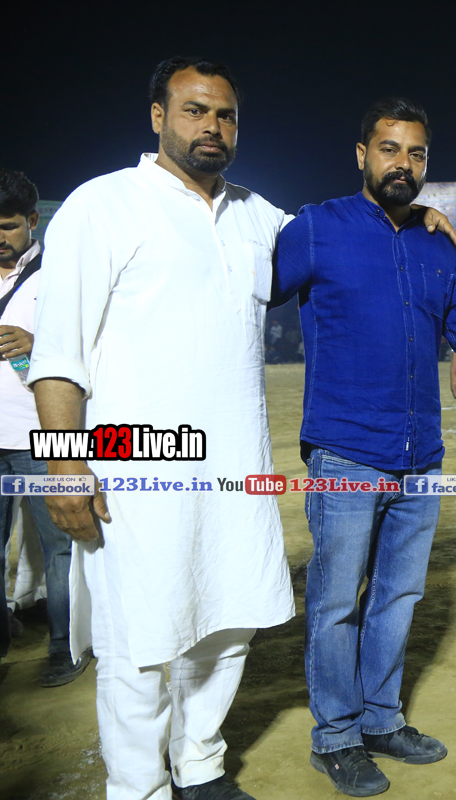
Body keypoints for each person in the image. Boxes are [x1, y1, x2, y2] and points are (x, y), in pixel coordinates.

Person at [29, 58, 296, 800]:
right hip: (135, 468)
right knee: (139, 638)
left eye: (226, 115)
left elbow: (336, 239)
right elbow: (57, 354)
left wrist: (423, 215)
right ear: (157, 117)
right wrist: (64, 465)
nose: (212, 127)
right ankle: (138, 786)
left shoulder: (256, 214)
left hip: (235, 467)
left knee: (230, 617)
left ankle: (200, 763)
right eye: (194, 110)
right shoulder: (102, 205)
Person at [273, 96, 456, 796]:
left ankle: (380, 719)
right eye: (390, 149)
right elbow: (247, 288)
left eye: (416, 153)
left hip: (420, 456)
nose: (404, 163)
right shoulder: (316, 229)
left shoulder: (438, 245)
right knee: (335, 603)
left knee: (398, 598)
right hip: (344, 452)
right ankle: (335, 736)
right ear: (362, 154)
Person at [0, 169, 83, 684]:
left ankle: (65, 646)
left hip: (42, 438)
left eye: (8, 226)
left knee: (61, 547)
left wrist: (38, 345)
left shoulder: (57, 276)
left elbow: (91, 345)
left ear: (33, 220)